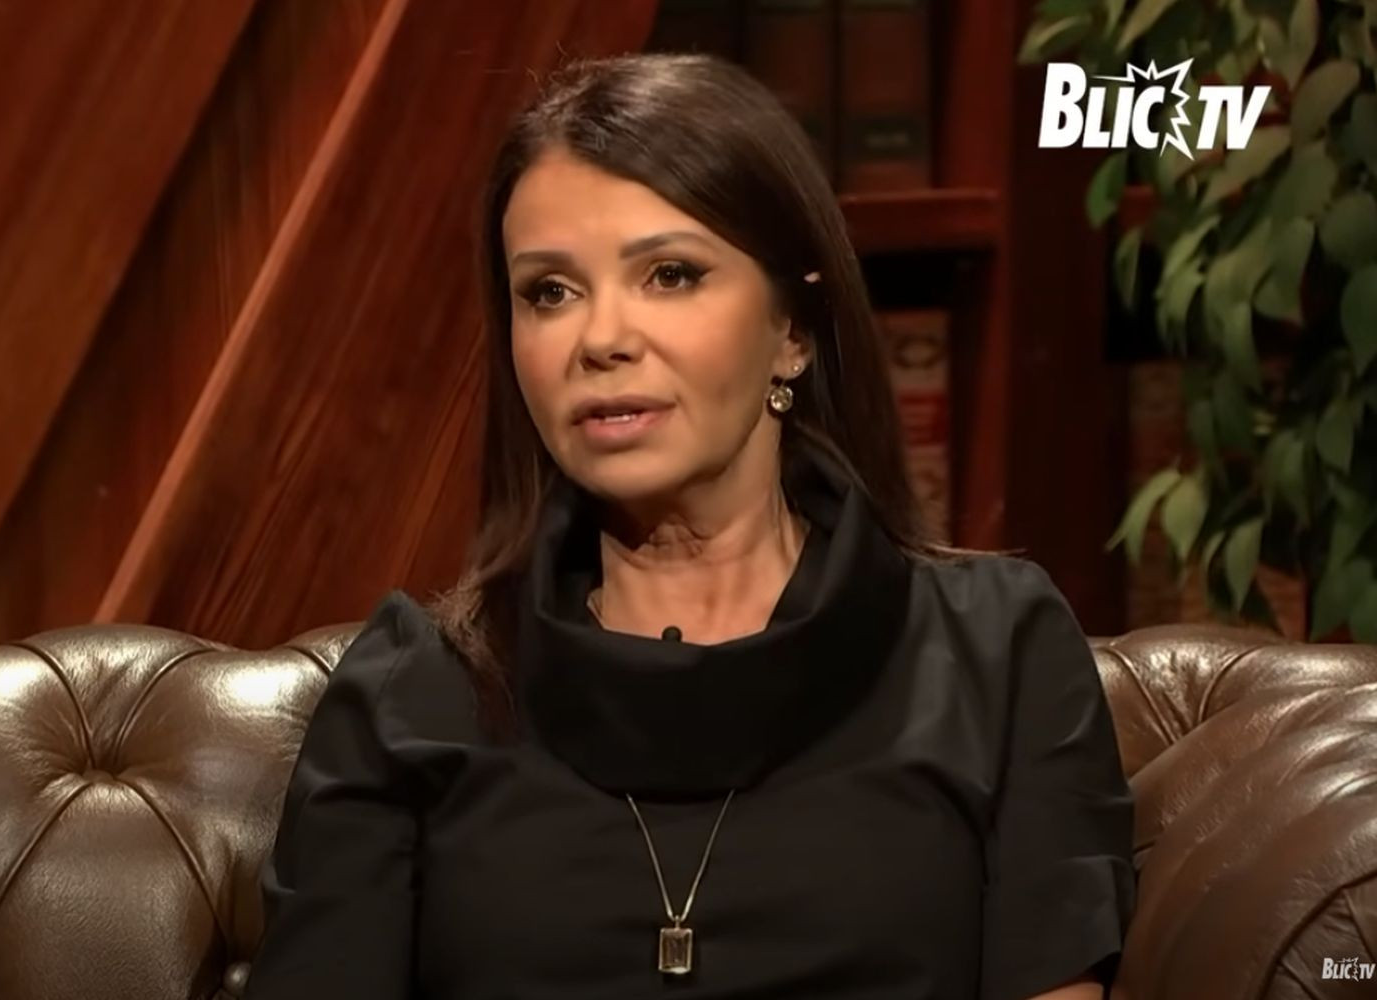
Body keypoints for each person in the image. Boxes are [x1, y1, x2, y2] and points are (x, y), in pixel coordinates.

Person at [242, 52, 1136, 1000]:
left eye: (669, 275)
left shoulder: (994, 650)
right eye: (549, 292)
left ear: (793, 329)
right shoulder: (414, 690)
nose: (600, 339)